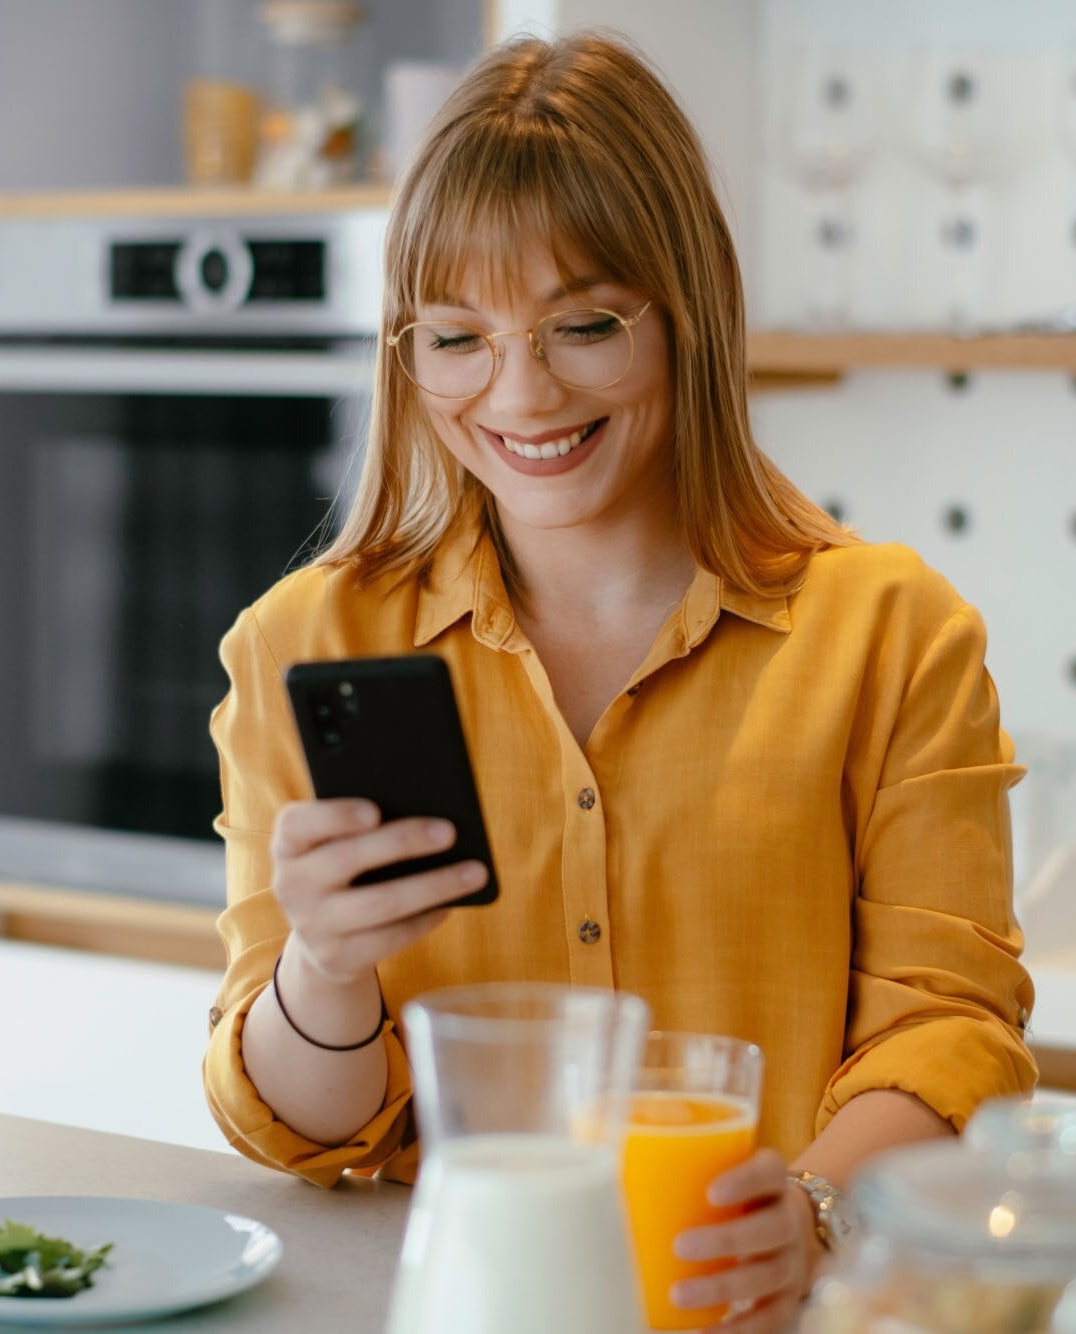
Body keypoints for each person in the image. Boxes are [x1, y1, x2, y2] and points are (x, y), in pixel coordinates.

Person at [203, 31, 1034, 1331]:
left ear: (687, 311)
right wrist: (323, 964)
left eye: (584, 325)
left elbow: (952, 1031)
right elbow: (299, 1134)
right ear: (403, 352)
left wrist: (809, 1212)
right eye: (458, 338)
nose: (520, 392)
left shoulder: (895, 633)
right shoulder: (302, 645)